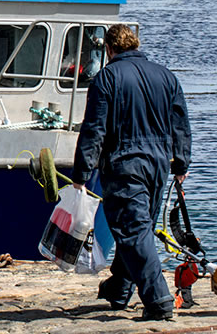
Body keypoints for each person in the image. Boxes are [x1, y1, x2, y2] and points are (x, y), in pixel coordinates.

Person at [71, 24, 191, 322]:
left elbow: (94, 130)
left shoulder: (107, 78)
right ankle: (119, 289)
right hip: (158, 164)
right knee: (139, 226)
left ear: (109, 49)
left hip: (125, 163)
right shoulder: (166, 75)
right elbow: (181, 123)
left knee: (133, 230)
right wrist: (181, 164)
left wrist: (81, 173)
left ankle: (159, 299)